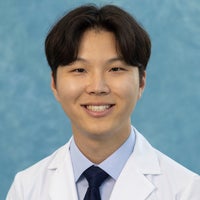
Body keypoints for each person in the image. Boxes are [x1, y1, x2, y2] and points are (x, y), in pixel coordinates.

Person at [6, 4, 200, 200]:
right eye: (79, 70)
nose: (97, 87)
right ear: (54, 84)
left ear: (141, 82)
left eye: (115, 69)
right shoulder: (26, 189)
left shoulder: (187, 191)